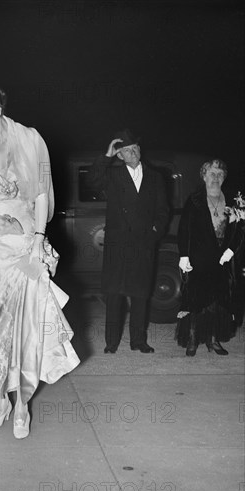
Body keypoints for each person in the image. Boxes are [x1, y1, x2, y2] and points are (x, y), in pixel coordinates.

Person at [0, 84, 79, 439]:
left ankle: (21, 404)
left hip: (26, 242)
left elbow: (41, 193)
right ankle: (1, 399)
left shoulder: (29, 139)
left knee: (25, 324)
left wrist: (39, 239)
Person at [87, 129, 169, 354]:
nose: (132, 152)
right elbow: (92, 181)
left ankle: (139, 341)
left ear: (140, 150)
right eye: (126, 150)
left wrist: (154, 232)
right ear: (119, 155)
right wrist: (107, 155)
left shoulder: (155, 177)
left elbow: (163, 210)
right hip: (118, 244)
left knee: (141, 294)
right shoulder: (112, 175)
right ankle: (111, 342)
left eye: (135, 148)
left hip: (143, 243)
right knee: (114, 295)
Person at [176, 159, 242, 356]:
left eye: (220, 174)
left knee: (218, 302)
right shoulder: (194, 199)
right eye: (212, 174)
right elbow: (184, 229)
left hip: (223, 260)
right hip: (199, 258)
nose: (216, 178)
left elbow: (240, 228)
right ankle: (194, 339)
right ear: (204, 176)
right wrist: (184, 256)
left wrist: (231, 249)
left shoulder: (233, 200)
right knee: (197, 301)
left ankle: (214, 340)